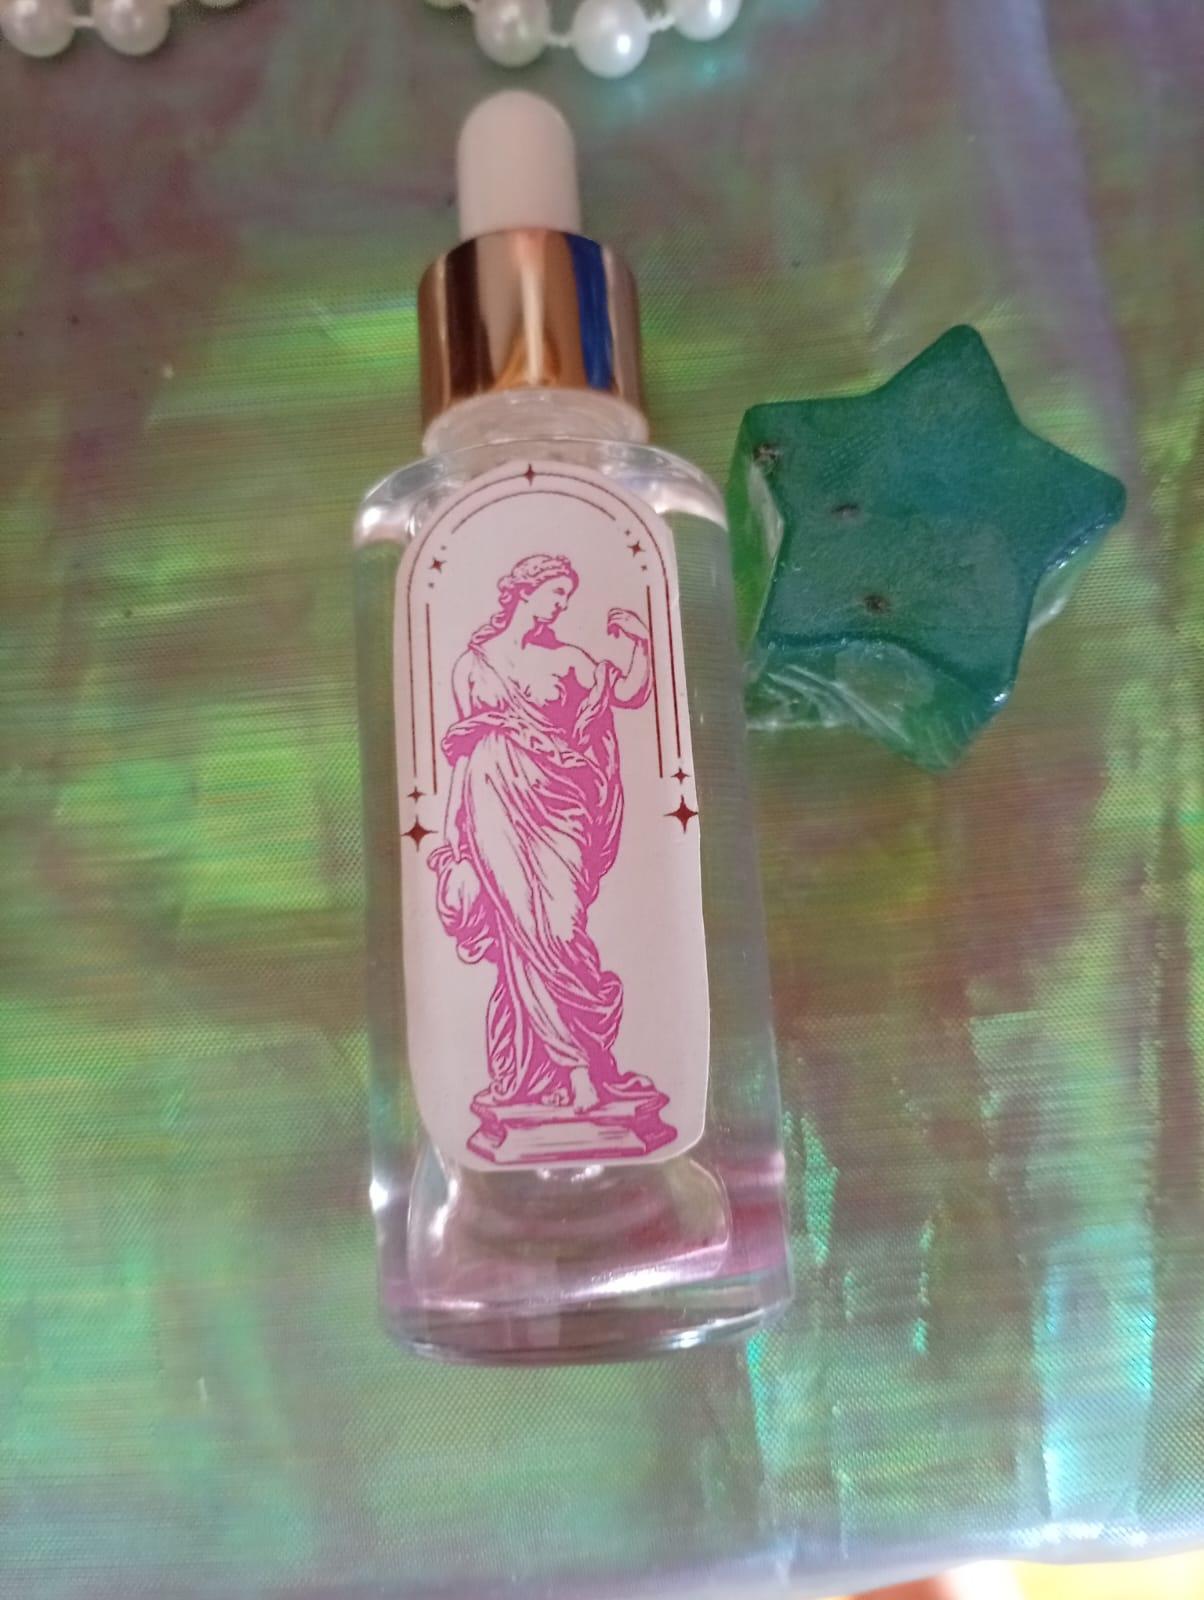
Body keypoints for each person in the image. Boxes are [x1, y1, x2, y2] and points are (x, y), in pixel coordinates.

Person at [429, 552, 663, 1118]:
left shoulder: (570, 660)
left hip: (562, 809)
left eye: (566, 597)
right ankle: (574, 1072)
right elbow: (464, 755)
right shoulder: (473, 665)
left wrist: (641, 642)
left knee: (559, 927)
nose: (561, 605)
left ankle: (585, 1065)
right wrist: (453, 840)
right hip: (493, 801)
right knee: (522, 932)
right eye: (555, 593)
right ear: (524, 592)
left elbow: (627, 694)